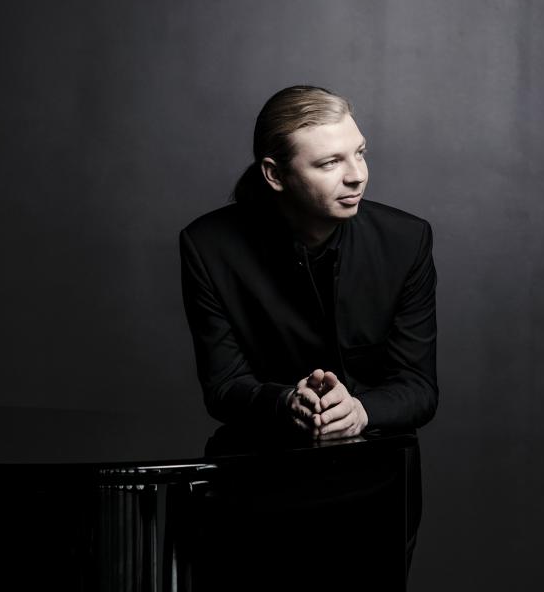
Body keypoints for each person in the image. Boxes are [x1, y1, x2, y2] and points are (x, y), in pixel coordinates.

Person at [179, 85, 438, 584]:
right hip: (253, 486)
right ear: (275, 175)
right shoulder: (207, 245)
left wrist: (360, 410)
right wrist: (285, 404)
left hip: (374, 489)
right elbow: (223, 387)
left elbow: (420, 388)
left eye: (359, 152)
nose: (357, 174)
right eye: (329, 162)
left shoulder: (408, 240)